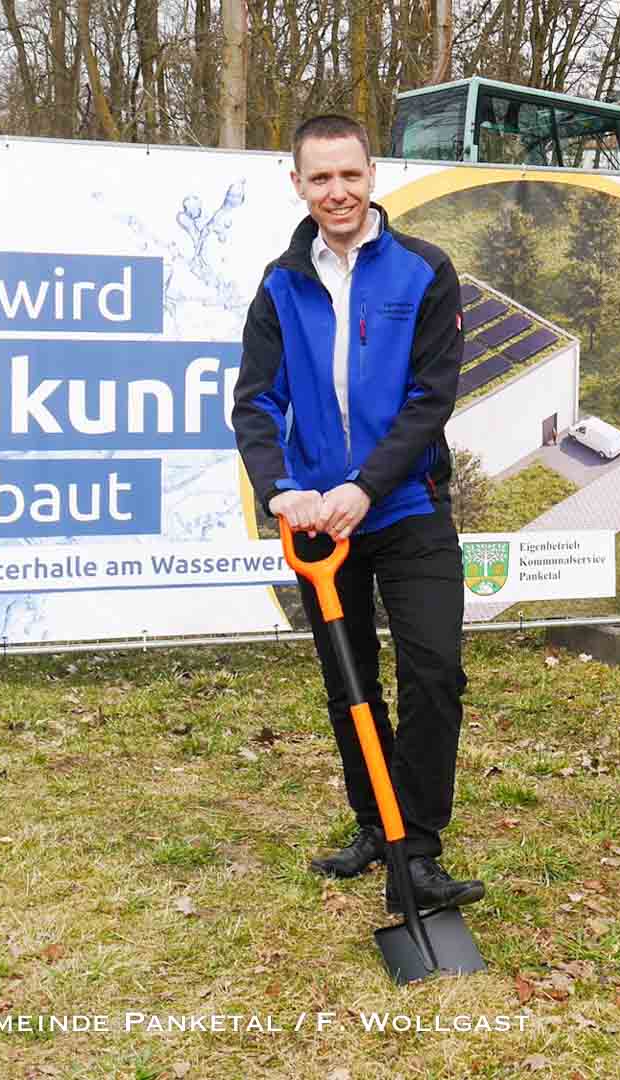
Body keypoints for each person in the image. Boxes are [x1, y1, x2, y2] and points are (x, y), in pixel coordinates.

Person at [231, 113, 483, 911]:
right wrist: (284, 490)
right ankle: (376, 826)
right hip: (317, 525)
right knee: (350, 684)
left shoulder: (423, 269)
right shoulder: (281, 283)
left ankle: (420, 846)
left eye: (349, 175)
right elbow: (255, 404)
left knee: (435, 672)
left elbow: (429, 398)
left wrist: (365, 487)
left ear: (372, 175)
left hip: (406, 505)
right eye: (320, 177)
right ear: (297, 183)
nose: (336, 191)